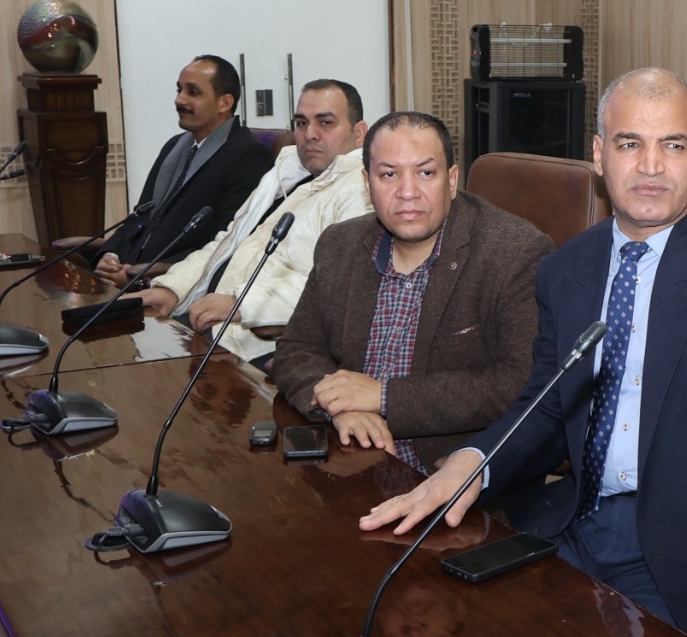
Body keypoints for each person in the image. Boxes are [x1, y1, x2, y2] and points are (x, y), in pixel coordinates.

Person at [360, 68, 687, 637]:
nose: (651, 166)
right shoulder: (566, 269)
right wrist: (475, 461)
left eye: (673, 145)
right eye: (630, 143)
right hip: (579, 523)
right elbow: (548, 403)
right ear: (599, 155)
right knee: (447, 632)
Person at [271, 111, 553, 473]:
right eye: (389, 175)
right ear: (367, 183)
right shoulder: (340, 244)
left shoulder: (513, 252)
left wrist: (383, 397)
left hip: (445, 471)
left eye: (426, 173)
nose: (407, 193)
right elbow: (297, 348)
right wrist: (340, 407)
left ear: (452, 180)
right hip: (346, 457)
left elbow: (520, 382)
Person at [127, 79, 372, 363]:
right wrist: (172, 289)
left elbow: (336, 288)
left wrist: (240, 304)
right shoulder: (286, 174)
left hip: (254, 339)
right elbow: (227, 242)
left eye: (325, 123)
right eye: (302, 123)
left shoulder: (361, 190)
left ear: (359, 133)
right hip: (205, 317)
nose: (310, 134)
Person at [93, 55, 272, 286]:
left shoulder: (247, 155)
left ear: (224, 103)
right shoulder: (175, 146)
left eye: (193, 92)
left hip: (172, 285)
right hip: (128, 274)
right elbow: (140, 217)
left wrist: (140, 277)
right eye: (179, 90)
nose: (179, 100)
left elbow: (228, 243)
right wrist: (110, 256)